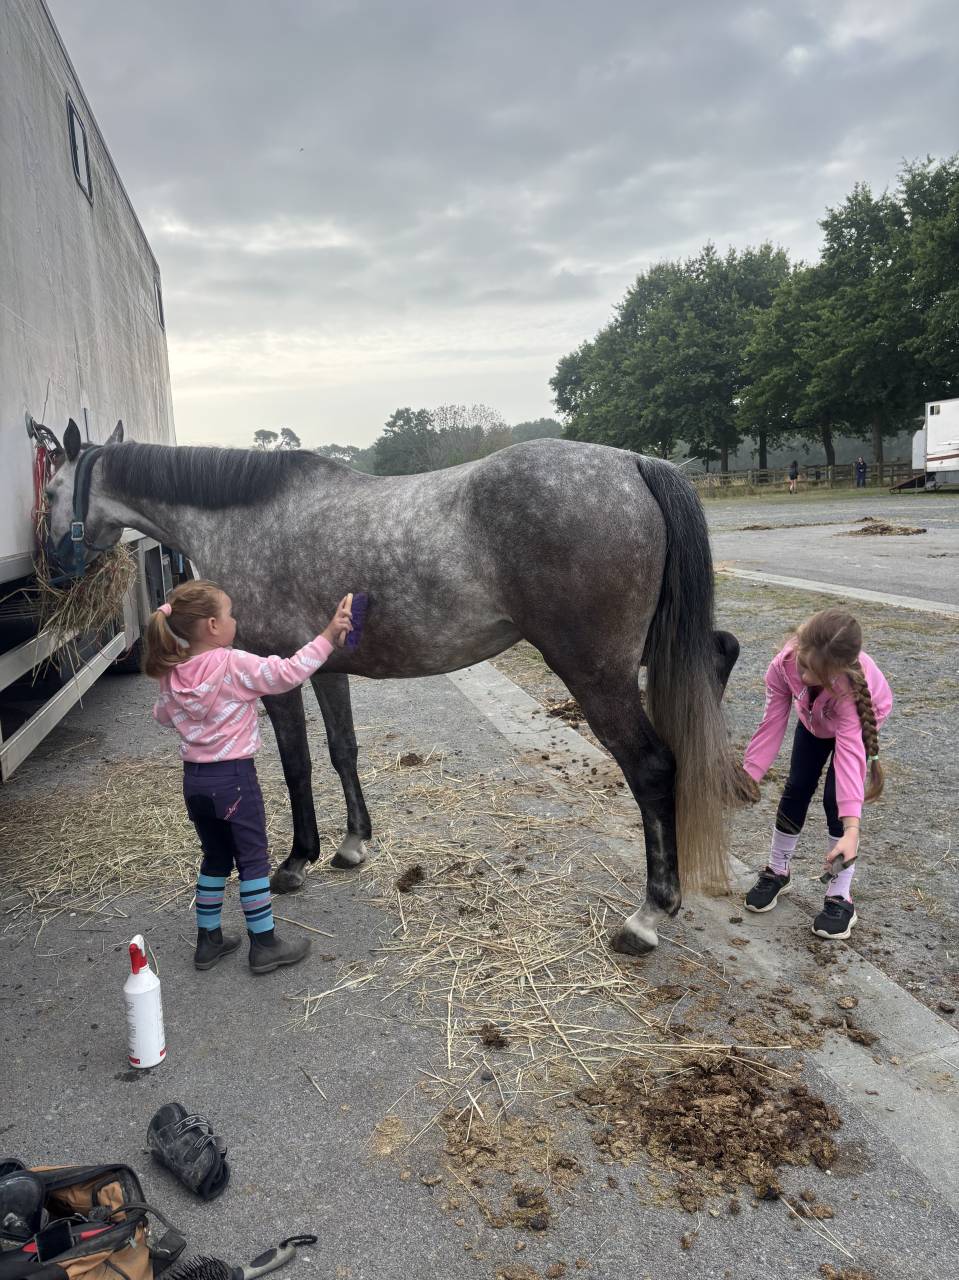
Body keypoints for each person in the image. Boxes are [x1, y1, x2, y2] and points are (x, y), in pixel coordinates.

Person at [144, 581, 355, 974]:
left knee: (215, 858)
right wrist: (328, 636)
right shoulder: (233, 664)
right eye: (230, 614)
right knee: (253, 862)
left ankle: (208, 940)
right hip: (234, 782)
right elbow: (289, 673)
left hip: (195, 784)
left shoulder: (172, 673)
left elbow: (162, 717)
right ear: (212, 625)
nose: (235, 621)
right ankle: (264, 943)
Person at [740, 608, 892, 940]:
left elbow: (850, 759)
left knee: (835, 799)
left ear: (838, 671)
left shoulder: (848, 690)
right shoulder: (784, 664)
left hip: (855, 719)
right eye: (803, 666)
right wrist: (749, 774)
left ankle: (840, 894)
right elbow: (771, 723)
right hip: (815, 719)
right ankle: (777, 870)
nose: (806, 677)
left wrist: (852, 829)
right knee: (796, 786)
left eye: (816, 674)